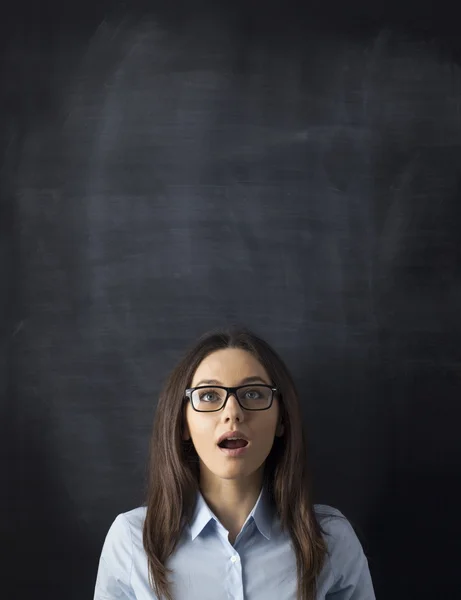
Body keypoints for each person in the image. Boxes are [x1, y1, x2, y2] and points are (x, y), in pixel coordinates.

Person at [93, 327, 376, 599]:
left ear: (282, 420)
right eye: (208, 396)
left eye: (253, 394)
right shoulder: (131, 541)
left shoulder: (331, 540)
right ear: (183, 424)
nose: (233, 412)